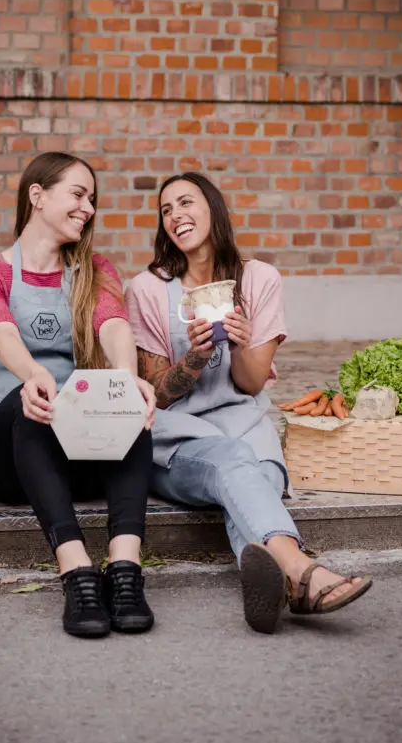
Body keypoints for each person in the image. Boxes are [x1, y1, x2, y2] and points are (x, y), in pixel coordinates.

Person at [125, 172, 372, 634]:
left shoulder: (259, 278)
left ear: (213, 208)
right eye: (166, 210)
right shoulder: (148, 289)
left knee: (251, 469)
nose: (176, 215)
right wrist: (195, 359)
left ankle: (274, 578)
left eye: (186, 203)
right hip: (176, 438)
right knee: (235, 465)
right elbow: (155, 393)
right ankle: (302, 571)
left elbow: (252, 381)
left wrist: (239, 344)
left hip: (244, 422)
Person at [0, 152, 156, 639]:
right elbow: (1, 332)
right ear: (37, 196)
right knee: (34, 407)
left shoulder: (95, 269)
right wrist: (31, 374)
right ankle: (76, 572)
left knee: (130, 412)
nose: (88, 208)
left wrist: (126, 381)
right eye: (78, 195)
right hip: (8, 457)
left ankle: (125, 573)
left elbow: (113, 326)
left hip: (75, 449)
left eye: (93, 200)